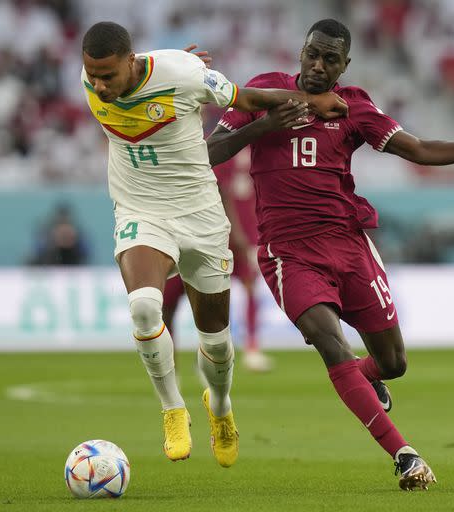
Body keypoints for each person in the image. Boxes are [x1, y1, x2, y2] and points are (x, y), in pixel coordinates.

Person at [206, 19, 454, 489]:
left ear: (344, 65)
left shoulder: (354, 106)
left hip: (349, 245)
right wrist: (265, 127)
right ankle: (404, 454)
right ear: (301, 50)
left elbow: (416, 149)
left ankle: (359, 379)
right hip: (289, 253)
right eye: (312, 53)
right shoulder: (262, 92)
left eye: (330, 59)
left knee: (393, 363)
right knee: (332, 344)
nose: (318, 65)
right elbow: (212, 151)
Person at [79, 21, 348, 467]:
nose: (99, 85)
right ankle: (172, 408)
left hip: (200, 215)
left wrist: (311, 100)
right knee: (145, 306)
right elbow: (135, 63)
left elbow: (249, 99)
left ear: (129, 62)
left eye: (108, 75)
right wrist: (163, 62)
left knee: (217, 343)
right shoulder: (95, 76)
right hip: (140, 212)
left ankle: (220, 407)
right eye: (93, 75)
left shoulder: (182, 75)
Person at [163, 151, 273, 372]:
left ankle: (250, 347)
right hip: (212, 233)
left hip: (248, 233)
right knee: (200, 293)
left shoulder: (261, 148)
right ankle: (203, 351)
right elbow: (219, 190)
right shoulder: (223, 146)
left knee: (250, 287)